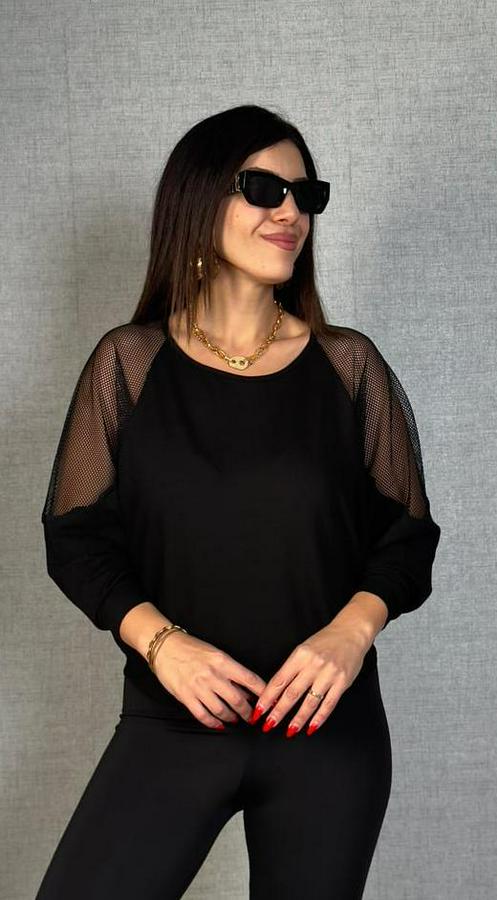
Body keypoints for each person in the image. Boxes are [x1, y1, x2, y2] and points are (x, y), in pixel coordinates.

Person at [35, 104, 442, 899]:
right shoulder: (128, 365)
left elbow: (406, 535)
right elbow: (74, 538)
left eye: (305, 195)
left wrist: (350, 633)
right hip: (172, 725)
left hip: (327, 735)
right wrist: (161, 644)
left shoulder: (348, 367)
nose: (289, 212)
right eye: (263, 189)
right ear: (197, 198)